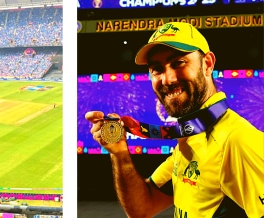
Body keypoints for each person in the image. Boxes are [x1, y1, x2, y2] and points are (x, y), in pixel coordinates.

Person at [85, 22, 264, 217]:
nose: (168, 79)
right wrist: (119, 153)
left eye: (179, 63)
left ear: (208, 64)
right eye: (156, 69)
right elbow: (143, 207)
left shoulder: (237, 141)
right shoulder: (193, 135)